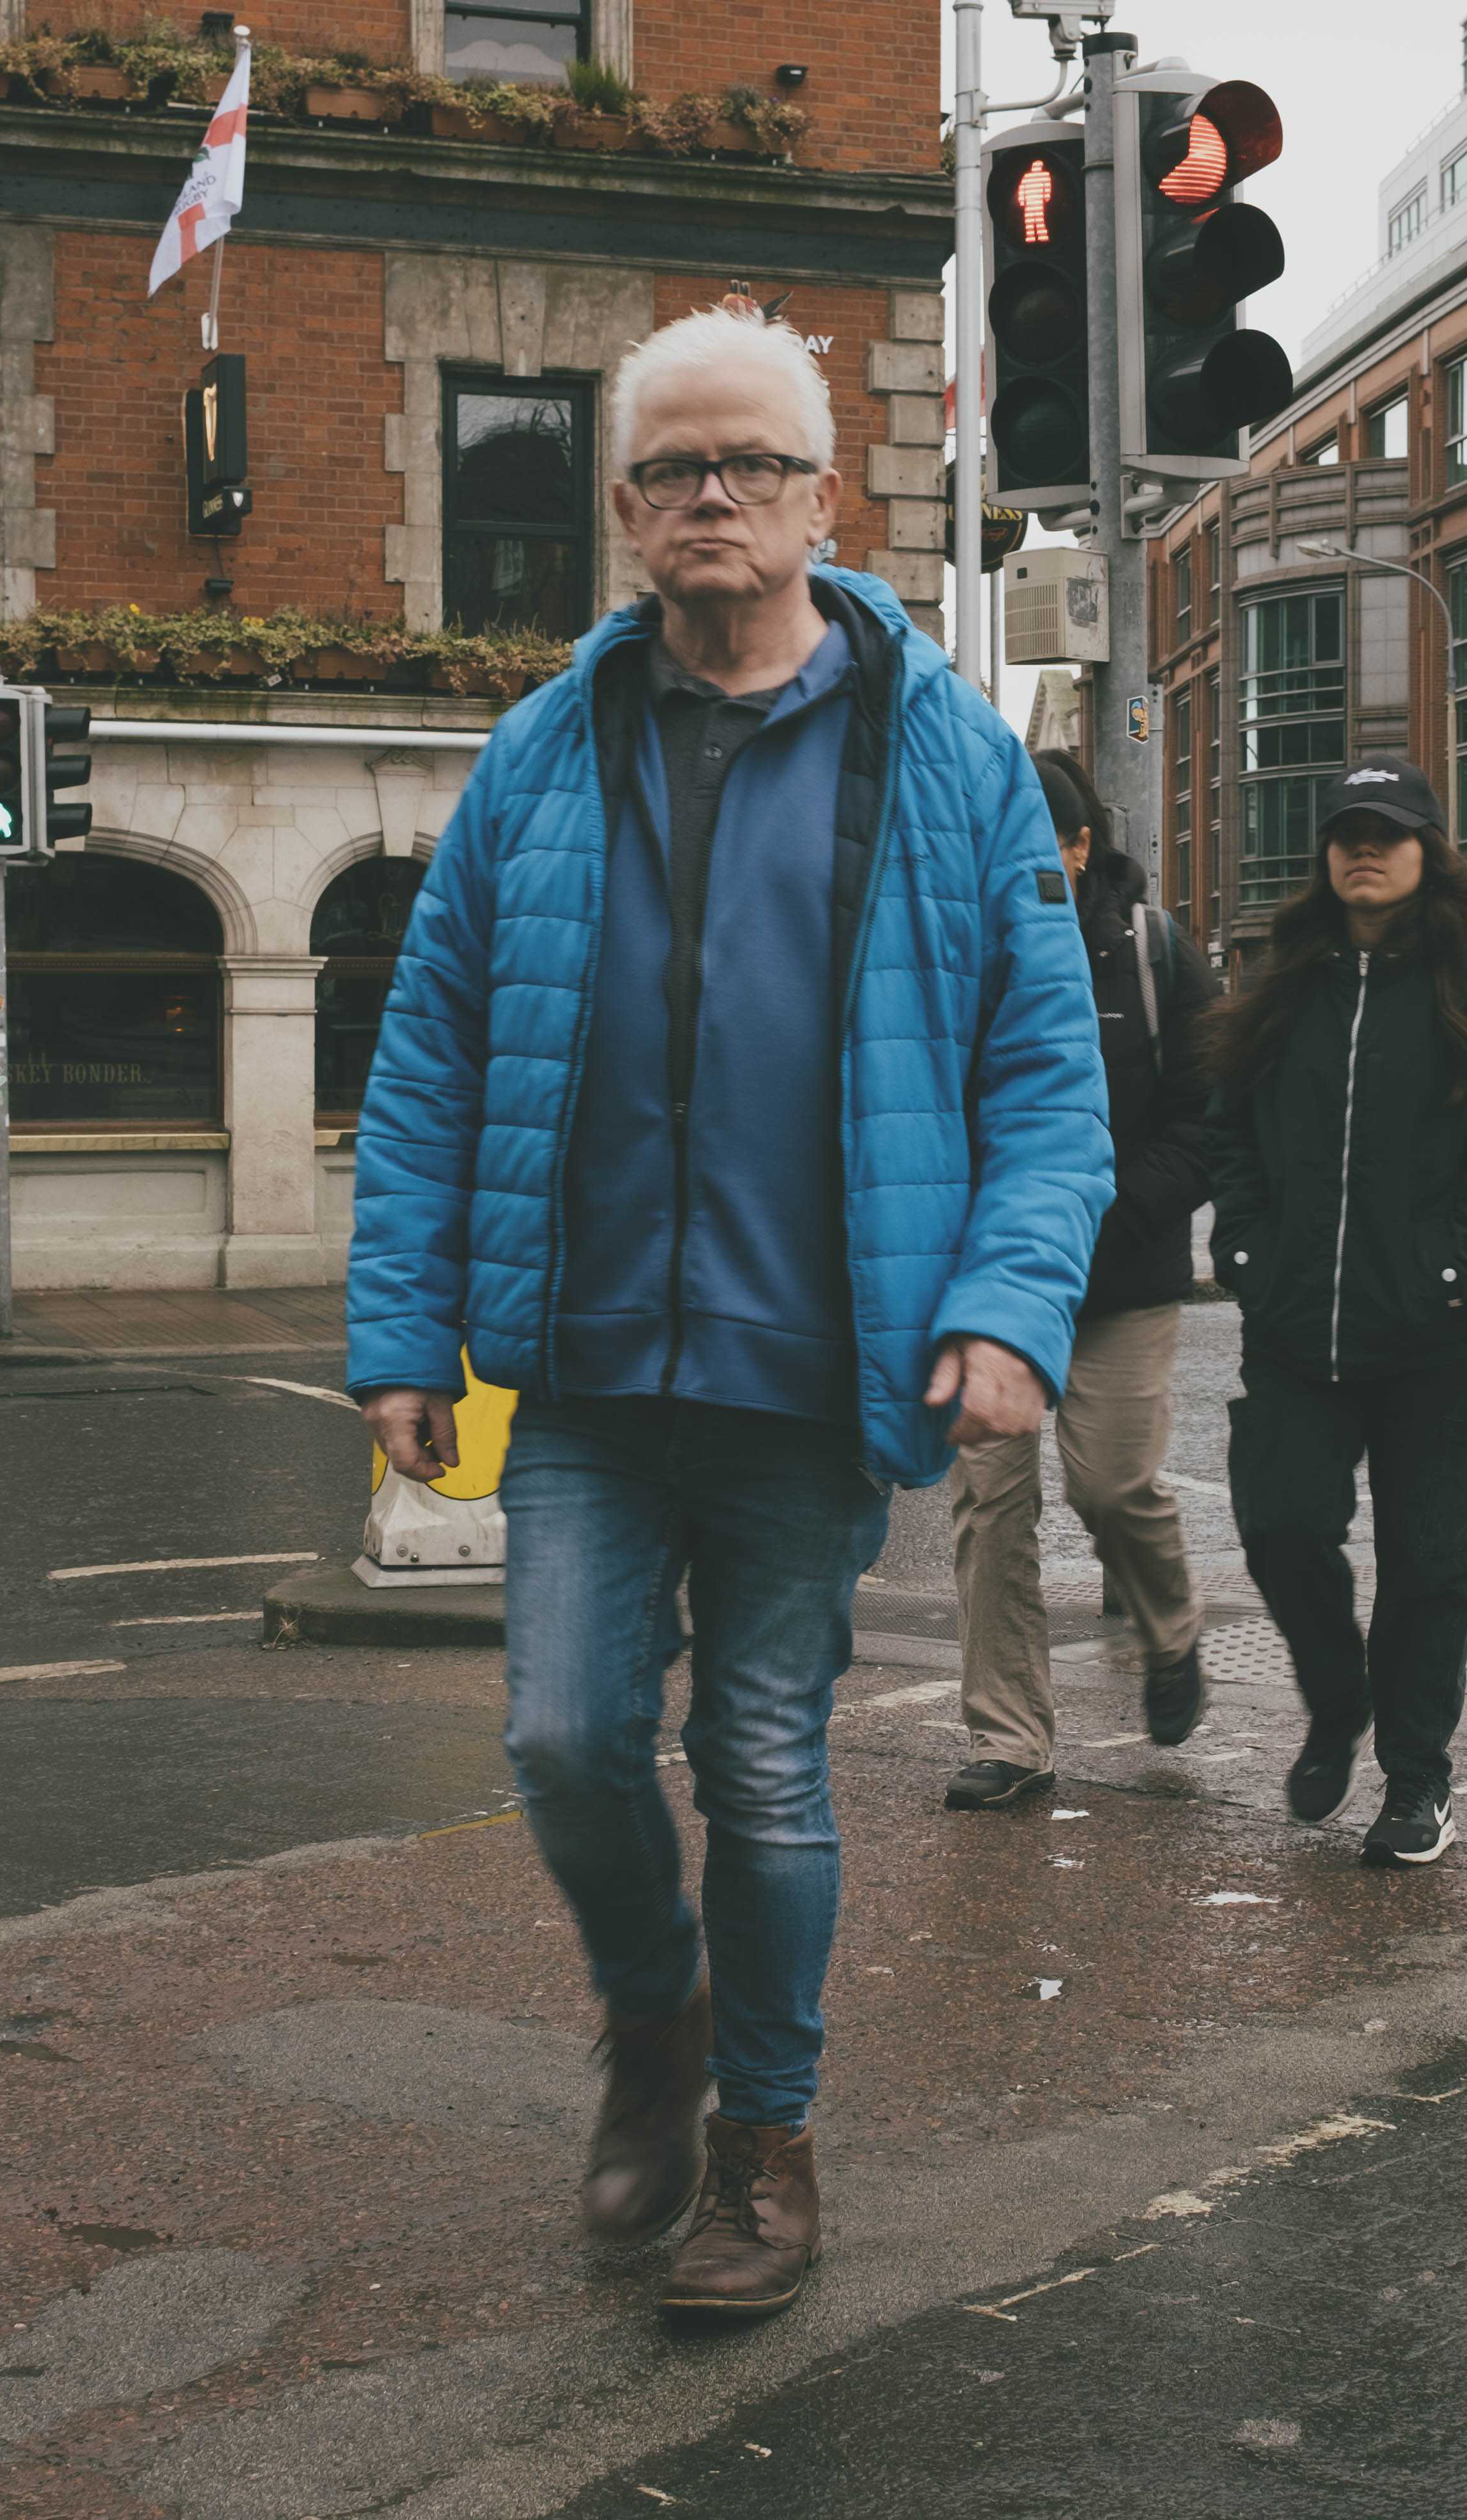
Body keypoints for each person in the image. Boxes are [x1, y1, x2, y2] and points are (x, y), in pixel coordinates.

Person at [344, 309, 1111, 2322]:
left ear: (820, 498)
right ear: (623, 510)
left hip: (809, 1365)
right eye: (675, 469)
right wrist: (406, 1329)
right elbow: (431, 1050)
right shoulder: (543, 749)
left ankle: (764, 2151)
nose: (712, 497)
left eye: (751, 467)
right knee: (565, 1735)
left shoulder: (945, 750)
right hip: (589, 1362)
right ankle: (655, 2028)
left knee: (763, 1767)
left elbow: (1046, 1075)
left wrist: (1011, 1310)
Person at [1203, 759, 1467, 1866]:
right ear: (1325, 855)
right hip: (1299, 1331)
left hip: (1443, 1344)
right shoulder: (1286, 985)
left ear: (1428, 851)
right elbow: (1232, 1133)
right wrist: (1250, 1250)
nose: (1366, 849)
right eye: (1348, 833)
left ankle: (1418, 1785)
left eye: (1389, 832)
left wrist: (1456, 1272)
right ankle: (1335, 1700)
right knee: (1279, 1523)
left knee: (1429, 1566)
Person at [942, 749, 1222, 1811]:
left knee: (1110, 1484)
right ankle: (1011, 1737)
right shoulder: (963, 949)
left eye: (1047, 841)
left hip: (1119, 1275)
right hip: (994, 1288)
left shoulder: (1154, 956)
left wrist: (1096, 1200)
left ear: (1080, 846)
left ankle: (1171, 1631)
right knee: (989, 1505)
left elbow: (1208, 1123)